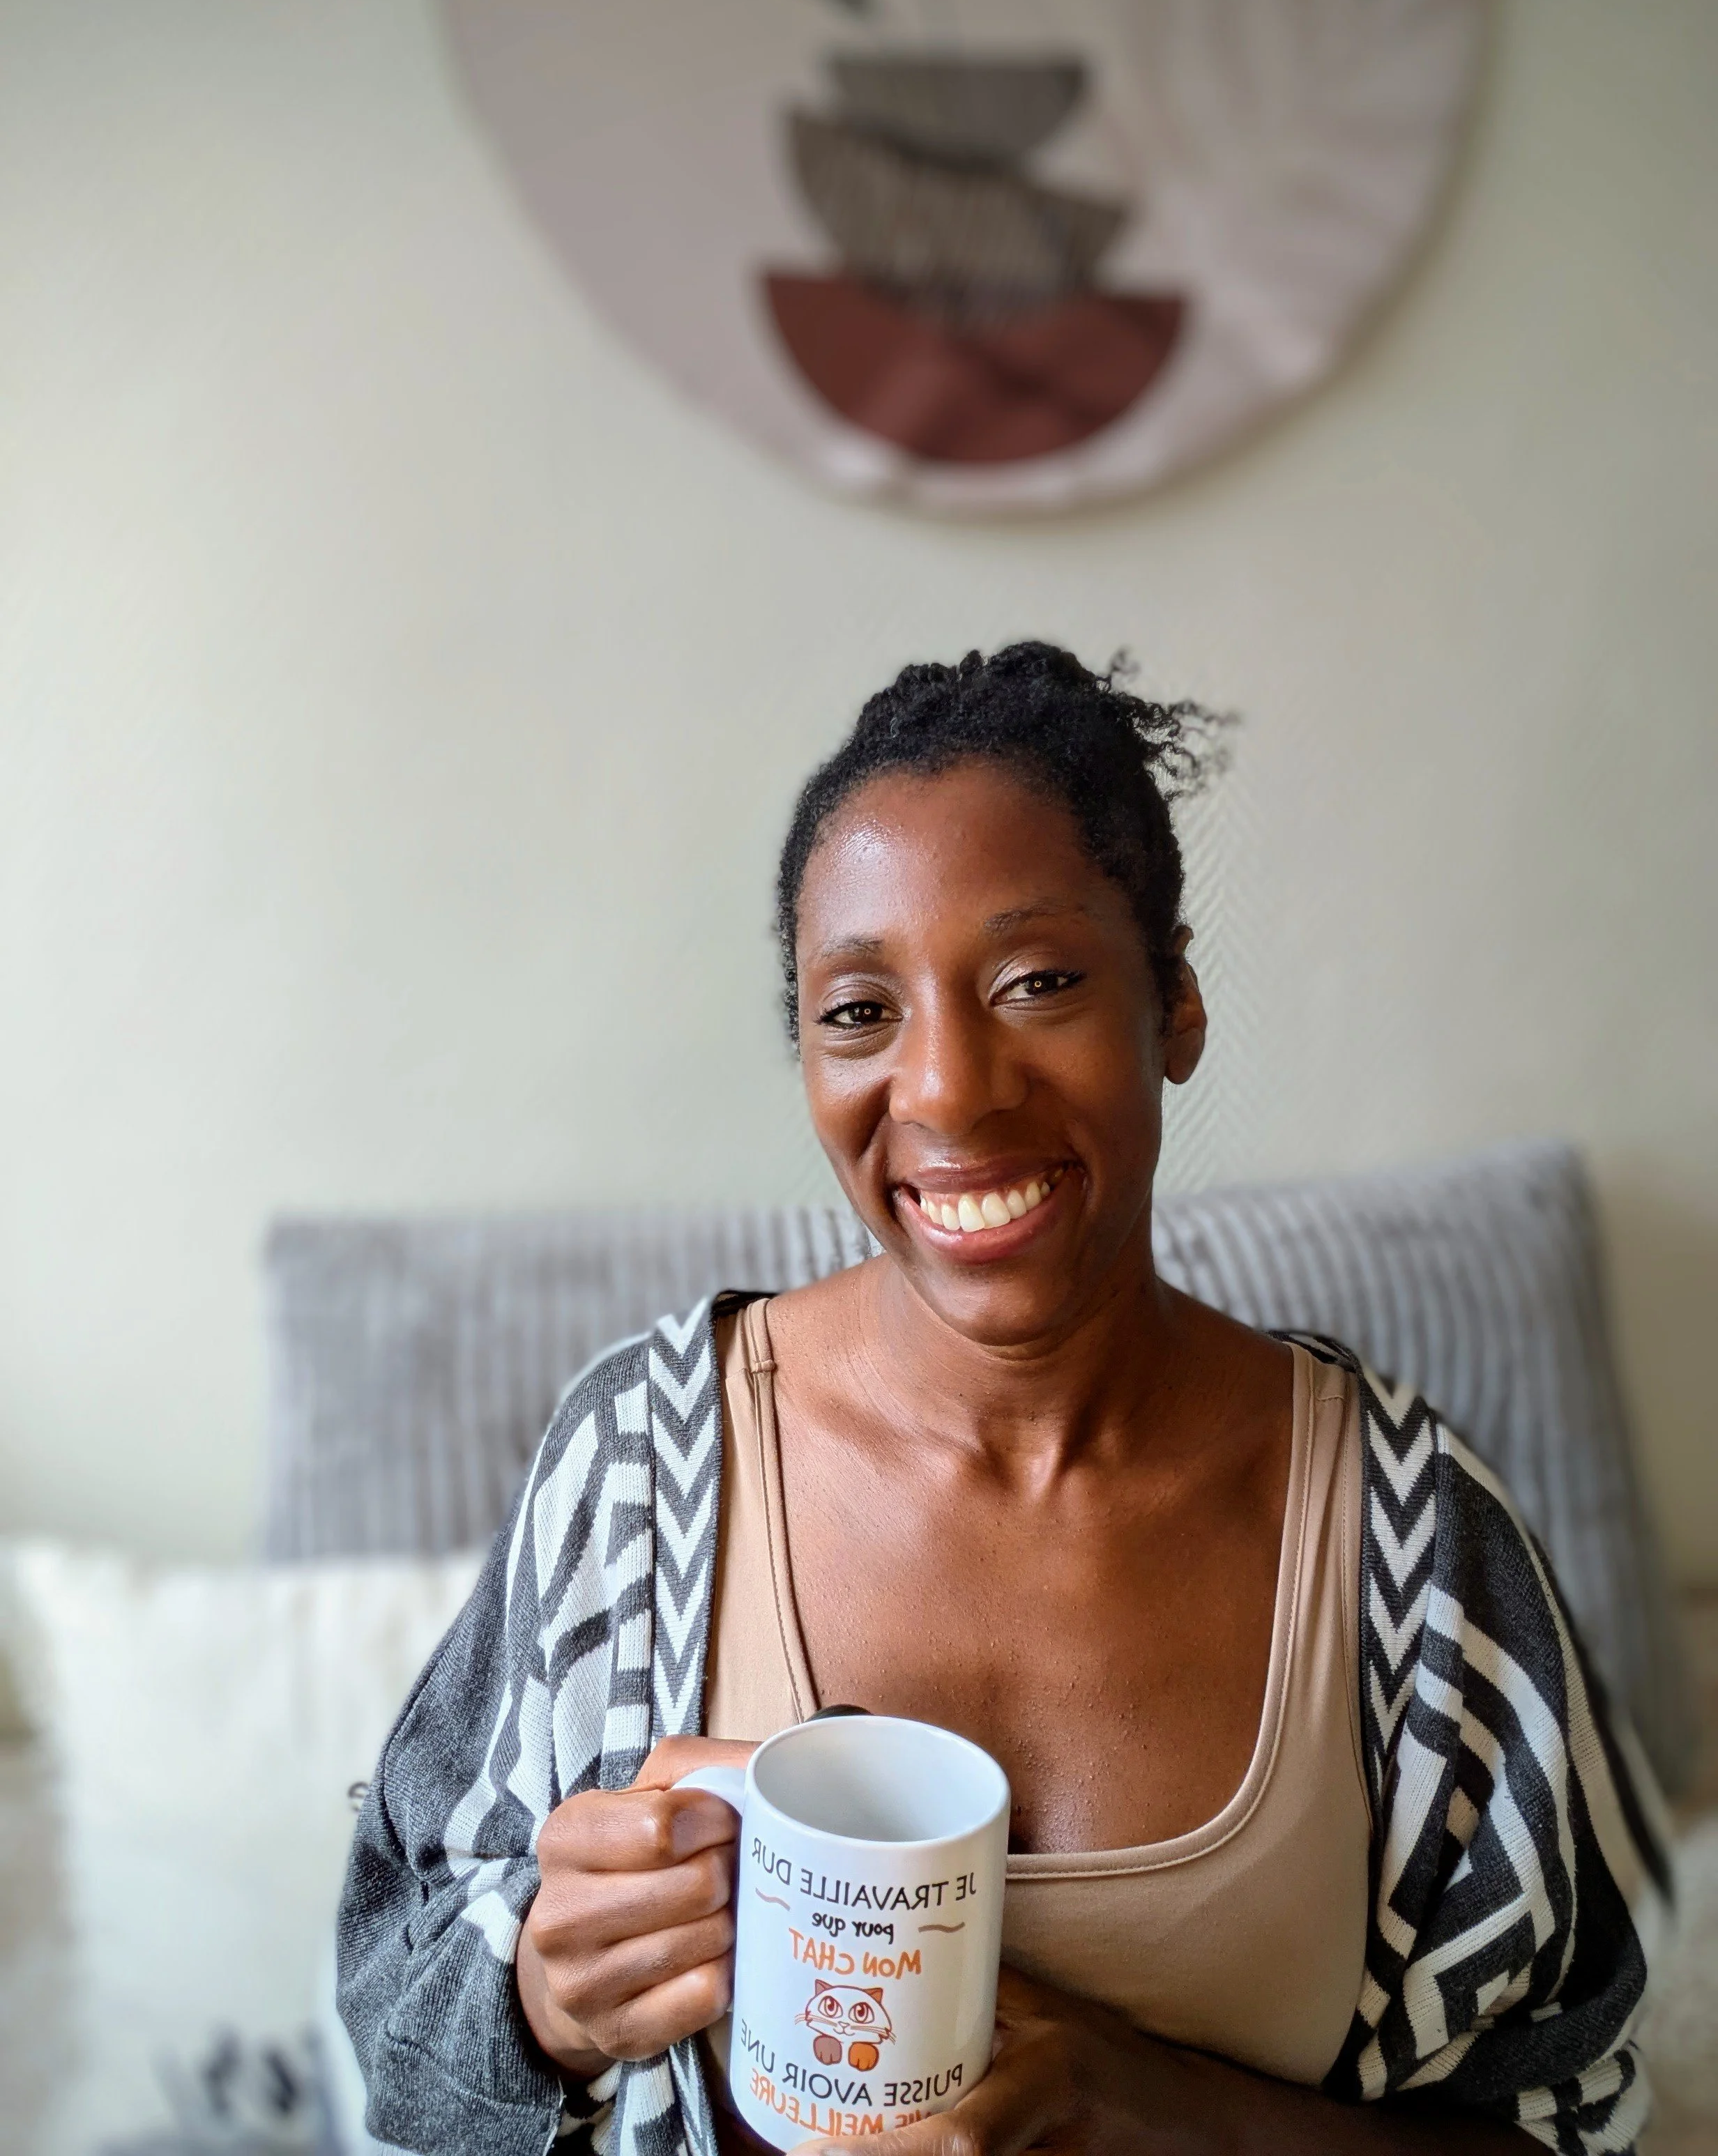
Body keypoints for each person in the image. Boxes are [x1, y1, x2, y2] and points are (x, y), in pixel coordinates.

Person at [338, 645, 1668, 2156]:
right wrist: (541, 2002)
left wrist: (1147, 2105)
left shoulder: (1408, 1540)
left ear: (1170, 1000)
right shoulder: (641, 1467)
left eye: (1036, 981)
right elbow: (397, 2032)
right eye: (858, 1011)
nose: (949, 1091)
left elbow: (1571, 2119)